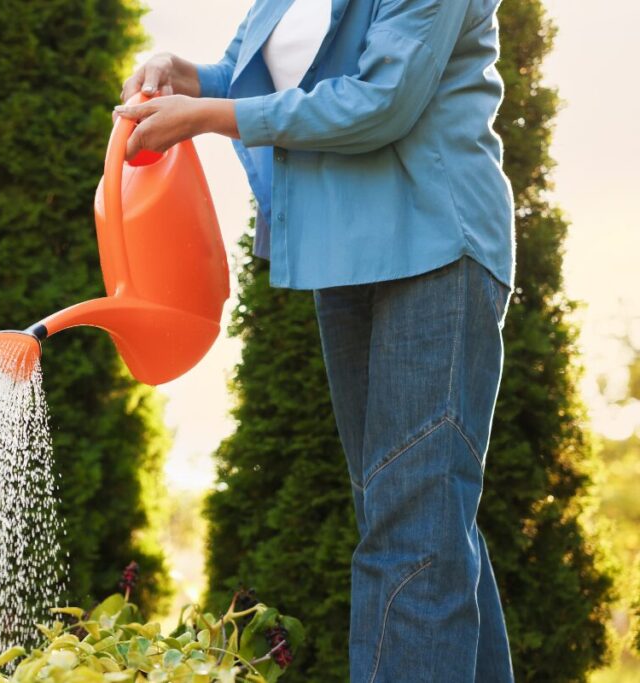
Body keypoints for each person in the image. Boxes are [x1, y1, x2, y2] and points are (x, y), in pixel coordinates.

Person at [114, 1, 516, 681]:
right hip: (347, 253)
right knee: (422, 523)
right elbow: (254, 75)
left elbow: (382, 100)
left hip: (435, 244)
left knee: (413, 532)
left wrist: (211, 118)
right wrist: (190, 79)